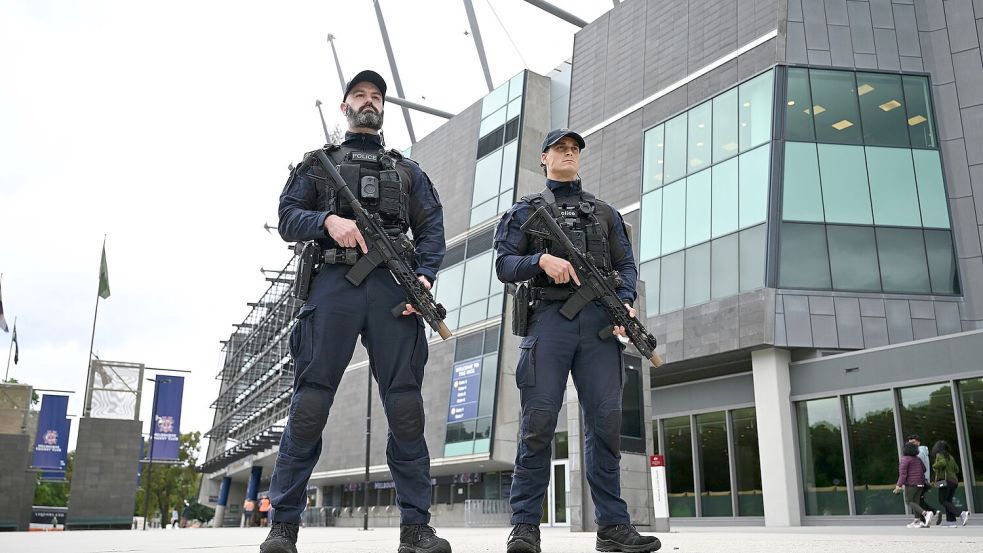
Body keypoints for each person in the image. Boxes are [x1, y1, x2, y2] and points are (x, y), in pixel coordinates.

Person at [262, 69, 448, 553]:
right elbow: (286, 217)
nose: (369, 102)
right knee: (310, 403)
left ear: (383, 108)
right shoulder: (318, 165)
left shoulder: (408, 171)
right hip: (333, 284)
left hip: (393, 290)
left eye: (376, 97)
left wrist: (424, 277)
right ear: (344, 105)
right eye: (359, 94)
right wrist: (326, 220)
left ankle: (416, 529)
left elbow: (431, 230)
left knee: (405, 406)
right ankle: (283, 525)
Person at [494, 129, 661, 553]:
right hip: (548, 321)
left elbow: (625, 266)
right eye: (560, 149)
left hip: (600, 327)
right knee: (538, 425)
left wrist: (625, 304)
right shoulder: (526, 211)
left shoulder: (604, 213)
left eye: (574, 150)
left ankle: (613, 528)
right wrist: (541, 260)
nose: (569, 154)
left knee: (606, 425)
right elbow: (504, 264)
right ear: (543, 159)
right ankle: (525, 528)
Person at [930, 440, 971, 527]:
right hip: (954, 481)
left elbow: (942, 463)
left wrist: (934, 466)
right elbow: (957, 469)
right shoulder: (950, 457)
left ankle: (961, 513)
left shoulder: (939, 455)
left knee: (942, 500)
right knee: (948, 501)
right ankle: (951, 521)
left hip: (945, 481)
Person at [893, 441, 932, 528]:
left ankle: (926, 513)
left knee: (909, 501)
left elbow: (903, 474)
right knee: (916, 503)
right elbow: (924, 469)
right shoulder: (917, 459)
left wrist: (898, 485)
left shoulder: (905, 459)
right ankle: (916, 521)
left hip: (911, 484)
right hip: (921, 484)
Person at [907, 434, 938, 521]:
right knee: (918, 500)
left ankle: (928, 515)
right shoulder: (923, 452)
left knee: (915, 500)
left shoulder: (919, 453)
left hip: (920, 480)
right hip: (924, 479)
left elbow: (918, 468)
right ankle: (930, 514)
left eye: (913, 442)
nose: (911, 445)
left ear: (918, 442)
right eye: (910, 443)